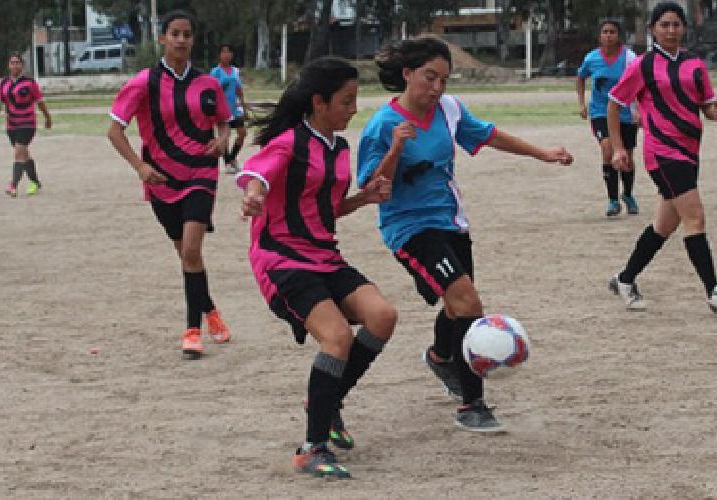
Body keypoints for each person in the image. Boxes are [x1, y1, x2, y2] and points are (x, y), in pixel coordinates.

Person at [357, 35, 573, 432]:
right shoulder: (383, 125)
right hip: (409, 229)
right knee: (467, 302)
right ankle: (473, 405)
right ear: (407, 75)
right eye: (429, 78)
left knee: (457, 305)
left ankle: (441, 357)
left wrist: (542, 153)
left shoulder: (449, 109)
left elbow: (489, 135)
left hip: (450, 222)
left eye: (443, 79)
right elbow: (372, 188)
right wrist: (395, 149)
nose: (436, 88)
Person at [238, 56, 398, 479]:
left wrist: (363, 199)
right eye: (346, 101)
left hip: (323, 255)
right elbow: (259, 171)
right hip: (281, 258)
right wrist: (253, 194)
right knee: (337, 336)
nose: (353, 109)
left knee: (383, 316)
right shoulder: (290, 141)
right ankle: (312, 447)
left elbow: (324, 211)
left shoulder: (339, 149)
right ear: (319, 102)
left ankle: (326, 405)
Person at [106, 10, 235, 359]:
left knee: (191, 250)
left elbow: (225, 122)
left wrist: (222, 139)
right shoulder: (143, 83)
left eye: (187, 34)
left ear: (193, 39)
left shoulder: (207, 83)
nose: (181, 40)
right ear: (162, 38)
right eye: (174, 33)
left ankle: (192, 330)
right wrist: (140, 167)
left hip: (201, 175)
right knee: (186, 255)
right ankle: (210, 311)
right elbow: (114, 130)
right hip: (162, 180)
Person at [606, 1, 717, 313]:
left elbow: (706, 103)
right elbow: (615, 103)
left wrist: (715, 112)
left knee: (663, 225)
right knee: (695, 216)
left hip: (689, 151)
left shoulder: (695, 64)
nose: (671, 30)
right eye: (664, 25)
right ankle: (714, 290)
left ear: (684, 28)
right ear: (652, 29)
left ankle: (625, 279)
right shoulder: (642, 65)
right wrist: (618, 148)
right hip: (662, 152)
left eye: (676, 24)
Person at [577, 20, 641, 217]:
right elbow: (580, 78)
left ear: (619, 35)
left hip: (625, 113)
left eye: (612, 32)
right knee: (607, 150)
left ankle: (628, 194)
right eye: (605, 32)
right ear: (599, 36)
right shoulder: (592, 58)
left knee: (626, 156)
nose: (608, 35)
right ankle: (613, 200)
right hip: (600, 112)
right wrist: (581, 103)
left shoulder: (630, 58)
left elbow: (639, 83)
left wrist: (638, 109)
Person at [0, 52, 52, 197]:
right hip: (11, 124)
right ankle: (35, 181)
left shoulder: (30, 83)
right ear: (8, 65)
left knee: (19, 153)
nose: (14, 65)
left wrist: (47, 117)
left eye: (17, 62)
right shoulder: (3, 83)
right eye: (12, 62)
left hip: (27, 124)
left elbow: (40, 102)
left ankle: (13, 185)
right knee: (24, 154)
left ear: (22, 65)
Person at [210, 44, 251, 174]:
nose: (226, 55)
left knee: (242, 133)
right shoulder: (215, 71)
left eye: (228, 52)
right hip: (222, 108)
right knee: (225, 136)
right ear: (219, 55)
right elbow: (211, 90)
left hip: (235, 108)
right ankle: (227, 162)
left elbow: (239, 89)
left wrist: (244, 106)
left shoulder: (235, 71)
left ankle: (232, 158)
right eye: (223, 52)